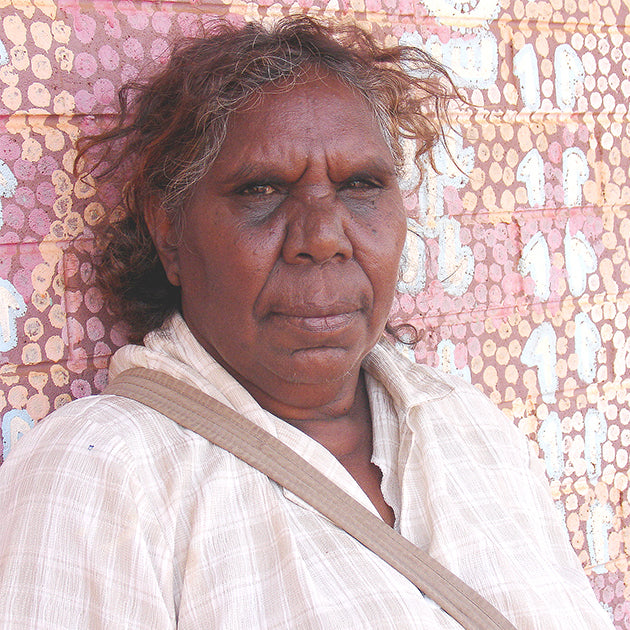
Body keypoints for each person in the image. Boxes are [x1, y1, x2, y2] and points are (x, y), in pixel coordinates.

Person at [0, 15, 614, 630]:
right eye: (262, 189)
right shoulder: (101, 476)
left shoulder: (472, 428)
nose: (323, 238)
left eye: (361, 185)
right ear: (170, 232)